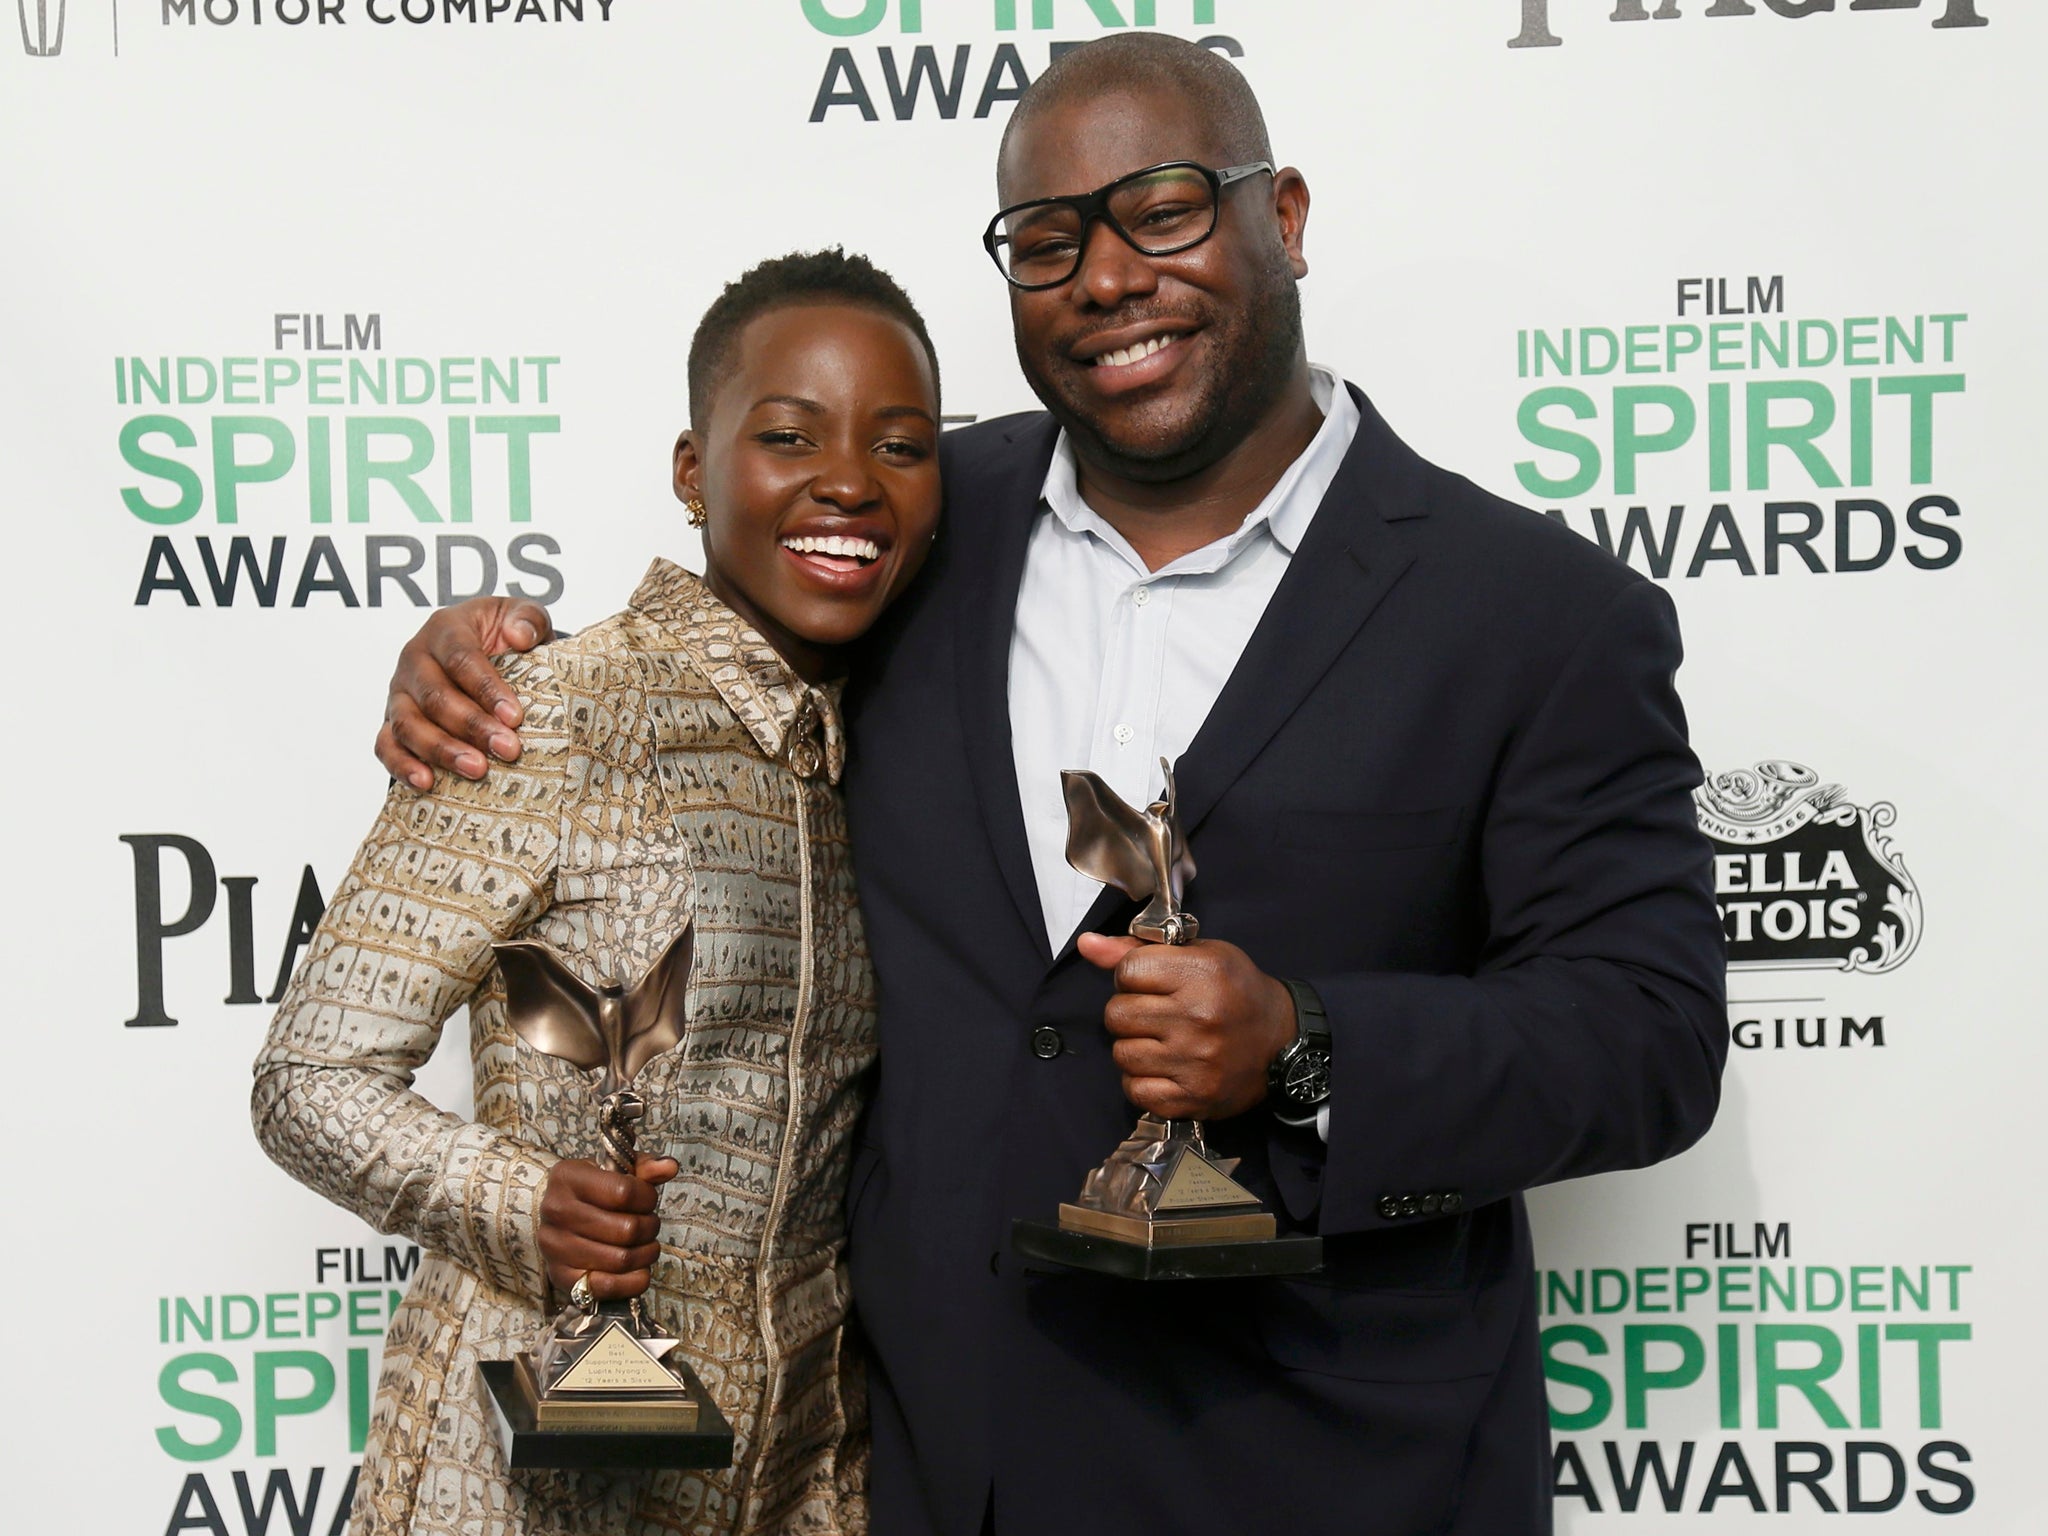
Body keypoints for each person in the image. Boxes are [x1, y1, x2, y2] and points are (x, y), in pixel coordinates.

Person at [375, 35, 1728, 1536]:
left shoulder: (1532, 613)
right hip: (932, 1464)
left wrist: (1307, 1044)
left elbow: (1647, 1038)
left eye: (1164, 208)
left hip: (1332, 1471)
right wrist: (497, 663)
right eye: (1047, 239)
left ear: (1281, 218)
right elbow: (707, 669)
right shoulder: (913, 525)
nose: (1105, 277)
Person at [254, 249, 944, 1536]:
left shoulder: (888, 740)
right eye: (788, 435)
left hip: (792, 1472)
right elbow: (308, 1081)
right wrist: (528, 1205)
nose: (848, 479)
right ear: (693, 470)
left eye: (902, 445)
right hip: (518, 1476)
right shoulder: (554, 711)